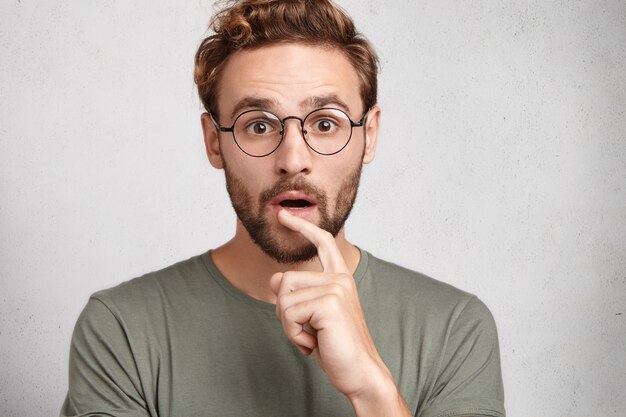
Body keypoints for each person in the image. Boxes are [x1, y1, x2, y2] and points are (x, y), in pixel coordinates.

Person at [61, 1, 505, 416]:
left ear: (368, 135)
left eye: (326, 123)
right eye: (258, 125)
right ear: (215, 142)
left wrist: (372, 390)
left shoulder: (455, 329)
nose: (293, 159)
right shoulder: (121, 328)